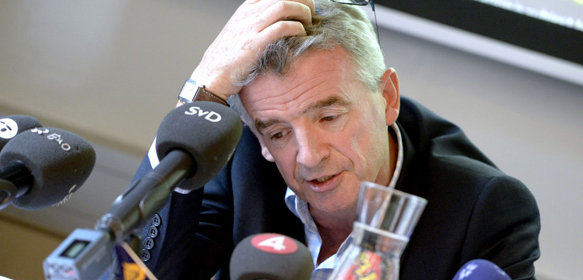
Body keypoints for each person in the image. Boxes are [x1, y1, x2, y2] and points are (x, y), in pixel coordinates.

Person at [134, 0, 541, 279]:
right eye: (278, 132)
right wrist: (199, 99)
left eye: (328, 117)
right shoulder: (242, 160)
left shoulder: (485, 209)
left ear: (387, 98)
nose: (309, 156)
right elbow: (141, 269)